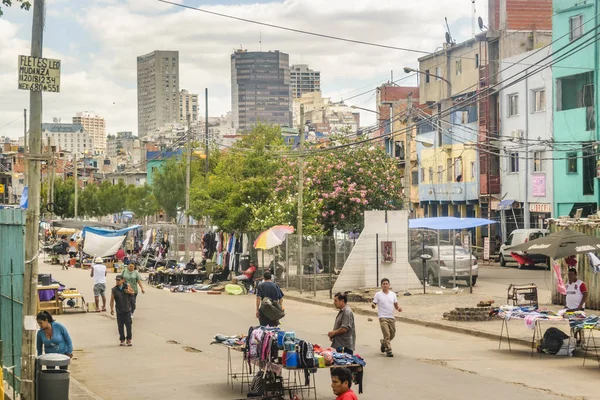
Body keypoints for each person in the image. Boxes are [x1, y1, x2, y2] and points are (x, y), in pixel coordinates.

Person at [372, 278, 402, 357]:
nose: (385, 285)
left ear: (389, 285)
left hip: (391, 317)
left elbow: (396, 305)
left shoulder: (393, 294)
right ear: (381, 285)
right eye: (383, 284)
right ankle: (389, 350)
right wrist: (373, 305)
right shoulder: (378, 294)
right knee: (387, 334)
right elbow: (374, 303)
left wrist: (398, 308)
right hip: (382, 317)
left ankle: (383, 343)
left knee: (393, 334)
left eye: (386, 284)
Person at [110, 275, 135, 346]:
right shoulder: (114, 289)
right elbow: (112, 300)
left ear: (123, 280)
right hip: (119, 310)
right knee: (120, 326)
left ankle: (129, 339)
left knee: (128, 325)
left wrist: (128, 292)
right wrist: (111, 309)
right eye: (116, 280)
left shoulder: (127, 286)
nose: (117, 282)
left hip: (127, 309)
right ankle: (122, 339)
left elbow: (133, 292)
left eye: (119, 280)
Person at [566, 268, 588, 344]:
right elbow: (567, 295)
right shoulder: (567, 284)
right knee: (572, 325)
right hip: (570, 309)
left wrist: (580, 306)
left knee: (579, 325)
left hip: (578, 308)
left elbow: (585, 294)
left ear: (575, 275)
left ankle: (581, 339)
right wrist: (566, 305)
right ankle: (574, 339)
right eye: (569, 275)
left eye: (572, 275)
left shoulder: (581, 284)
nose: (570, 276)